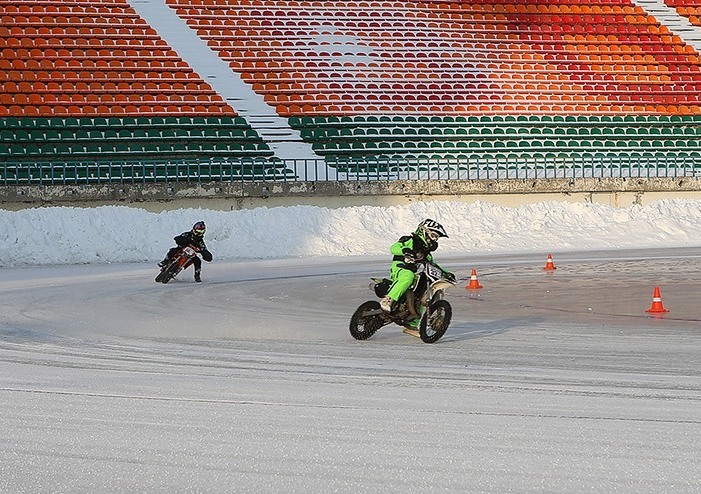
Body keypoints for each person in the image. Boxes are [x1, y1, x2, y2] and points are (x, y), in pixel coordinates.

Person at [380, 219, 455, 324]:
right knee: (408, 276)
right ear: (423, 231)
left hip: (412, 272)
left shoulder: (426, 253)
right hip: (399, 268)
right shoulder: (410, 241)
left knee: (421, 291)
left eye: (436, 238)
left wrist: (445, 273)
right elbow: (394, 248)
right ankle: (388, 300)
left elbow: (433, 264)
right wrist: (405, 250)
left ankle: (412, 324)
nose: (434, 239)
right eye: (433, 235)